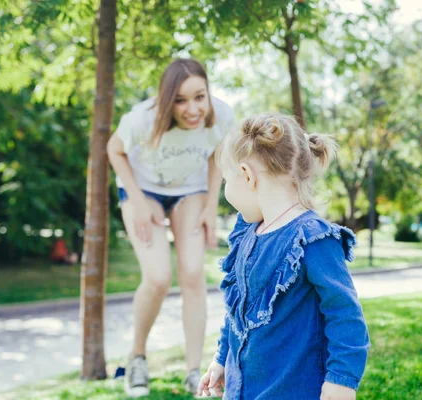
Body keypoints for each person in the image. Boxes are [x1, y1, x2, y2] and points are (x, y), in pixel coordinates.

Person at [197, 113, 370, 399]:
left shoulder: (312, 237)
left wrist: (341, 380)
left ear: (247, 175)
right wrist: (221, 359)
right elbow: (237, 311)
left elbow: (345, 313)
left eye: (227, 180)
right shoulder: (248, 233)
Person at [106, 58, 235, 397]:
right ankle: (137, 357)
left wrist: (210, 205)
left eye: (199, 97)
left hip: (190, 191)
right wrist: (134, 200)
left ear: (208, 93)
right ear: (167, 100)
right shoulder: (142, 119)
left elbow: (217, 155)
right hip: (143, 189)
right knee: (158, 277)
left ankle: (195, 372)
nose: (192, 109)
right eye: (180, 100)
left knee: (193, 274)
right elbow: (114, 150)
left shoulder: (221, 115)